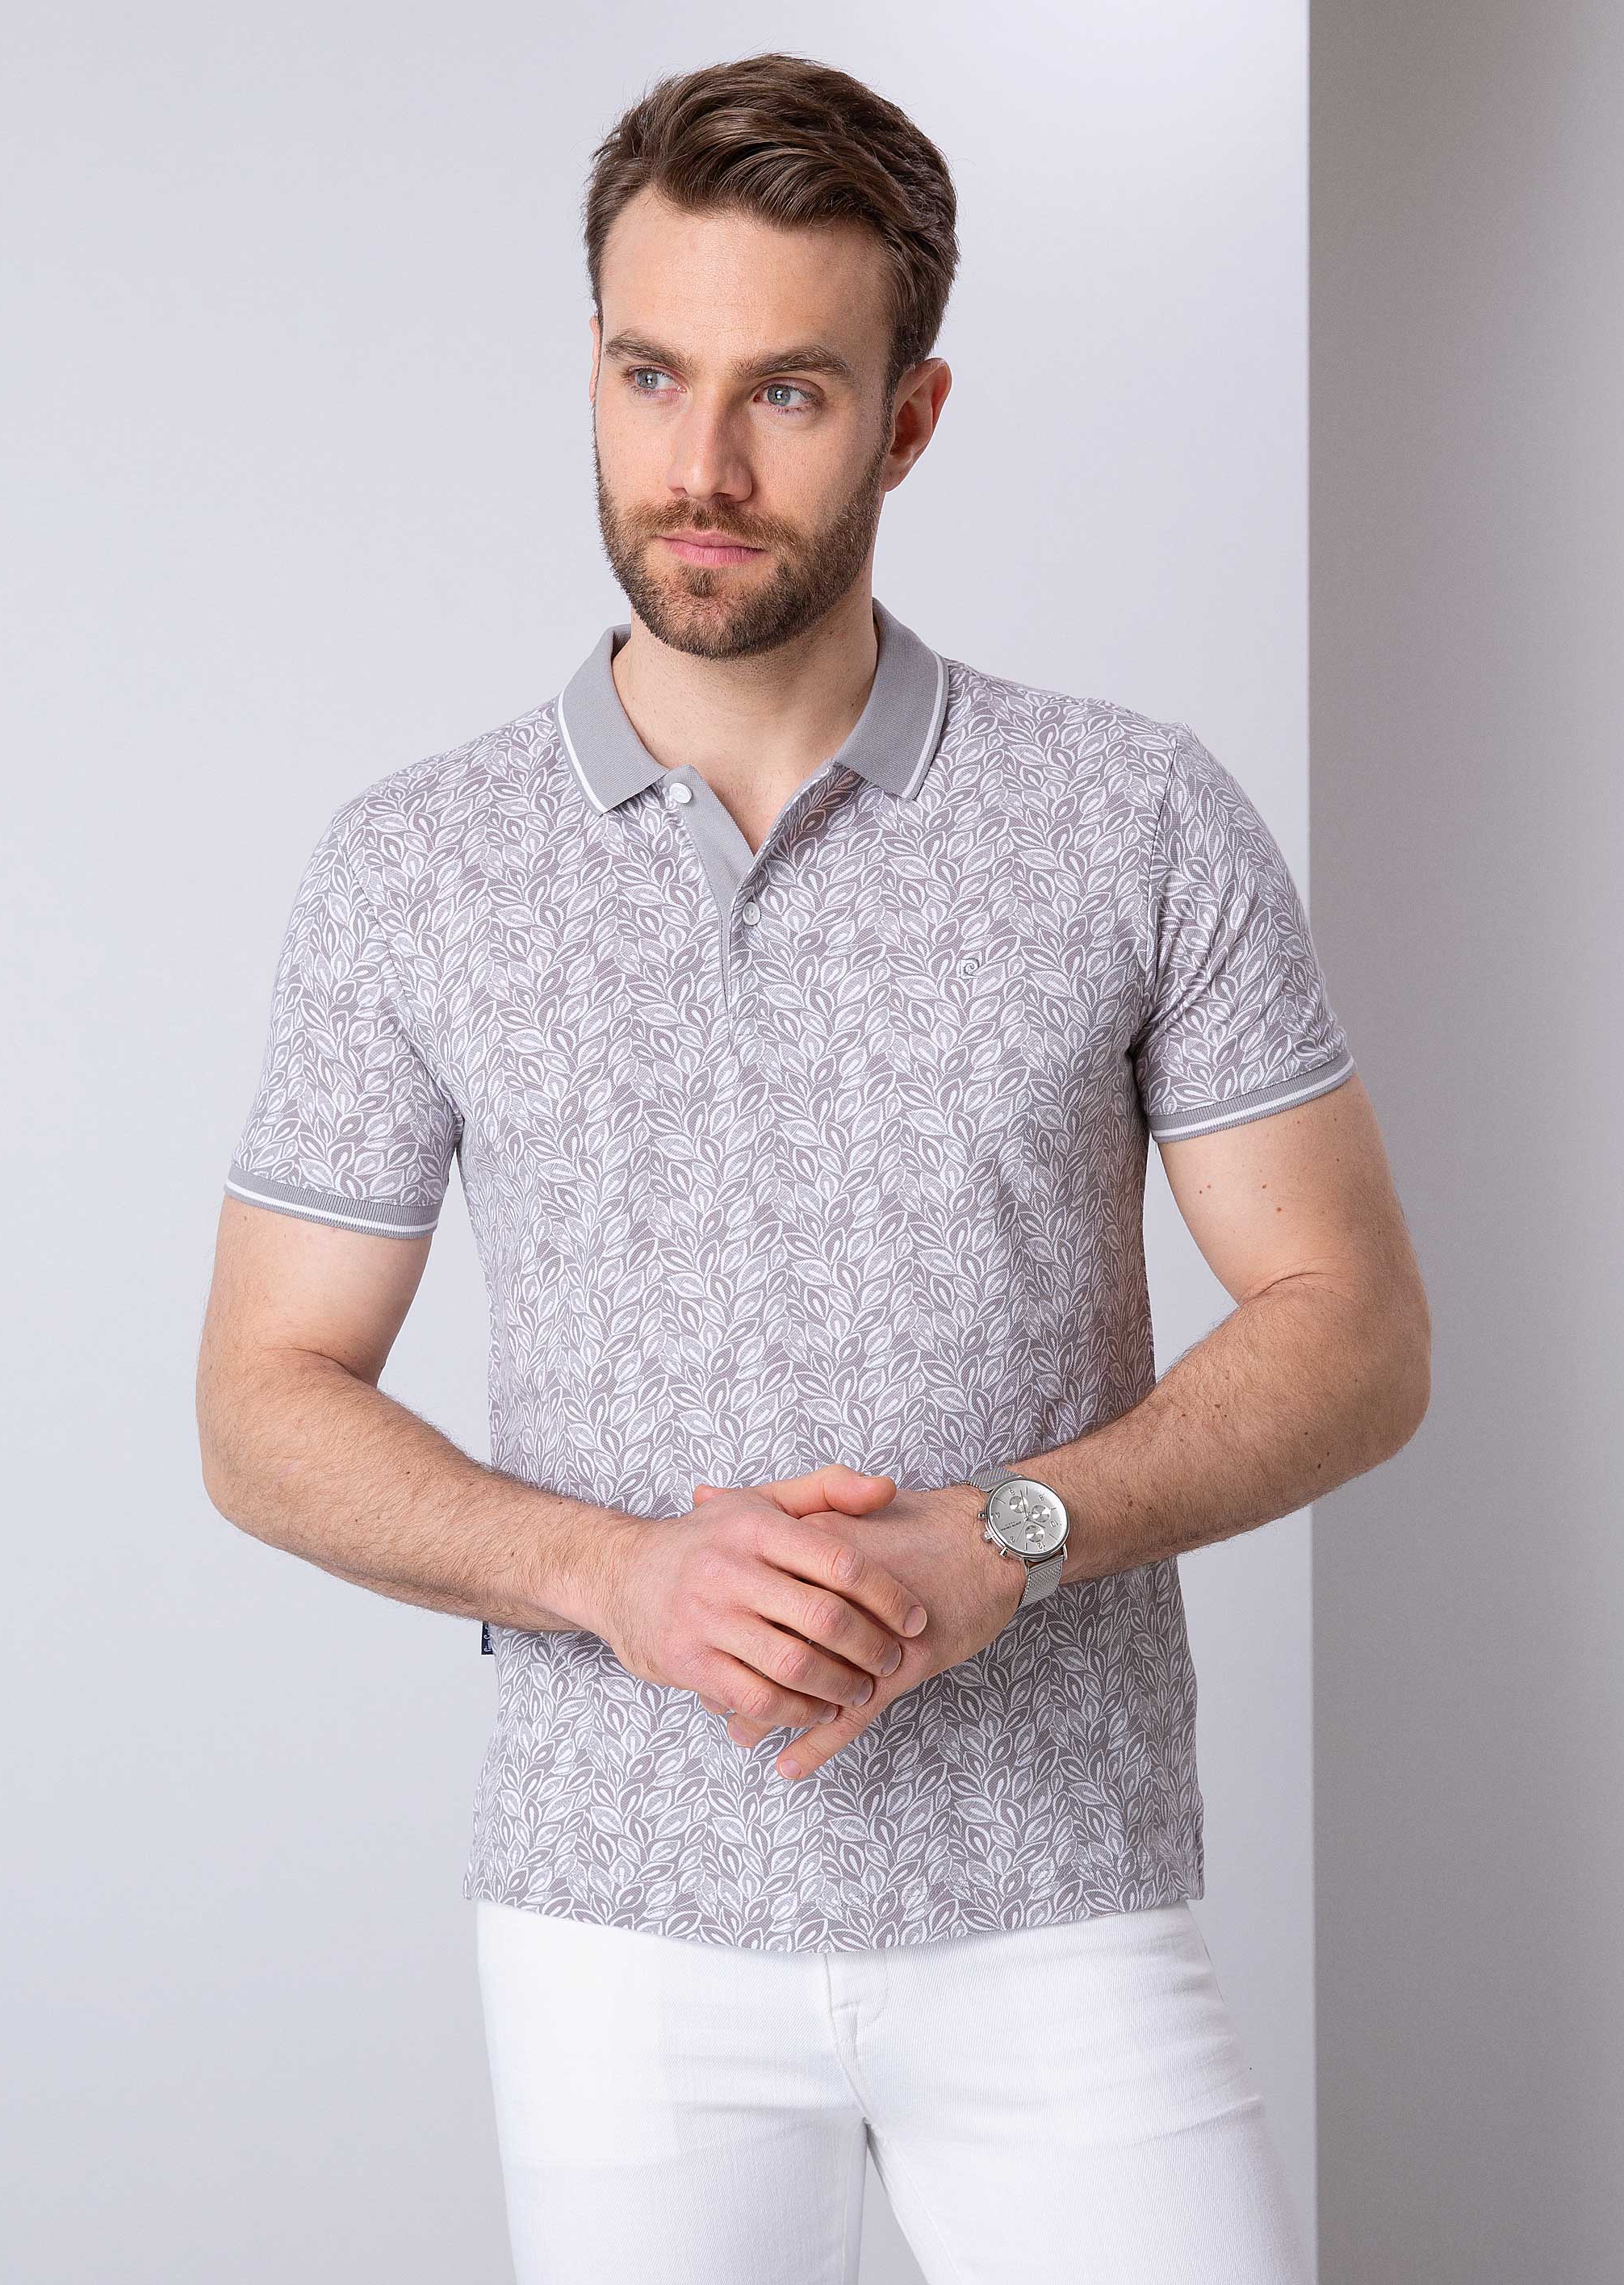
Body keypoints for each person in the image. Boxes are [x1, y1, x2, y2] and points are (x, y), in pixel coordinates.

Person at [195, 49, 1430, 2285]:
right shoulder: (411, 871)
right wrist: (615, 1580)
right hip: (616, 1933)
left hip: (1058, 1893)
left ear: (910, 418)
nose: (698, 464)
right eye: (648, 374)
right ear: (590, 366)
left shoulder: (1133, 817)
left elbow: (1353, 1331)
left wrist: (1012, 1535)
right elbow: (262, 1402)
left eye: (786, 391)